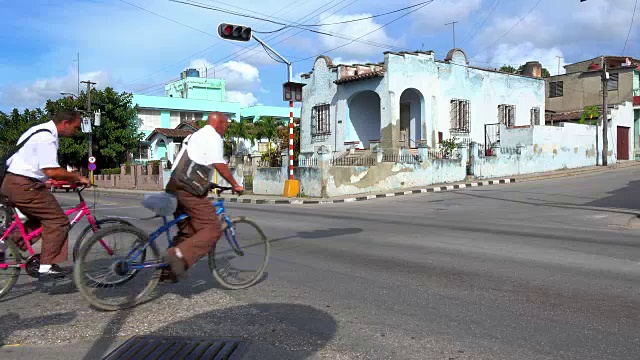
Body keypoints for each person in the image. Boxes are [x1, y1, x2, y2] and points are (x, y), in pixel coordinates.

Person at [0, 110, 91, 279]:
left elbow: (31, 164)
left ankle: (6, 245)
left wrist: (47, 180)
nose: (75, 131)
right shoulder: (47, 137)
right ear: (65, 123)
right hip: (24, 186)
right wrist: (78, 177)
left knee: (39, 220)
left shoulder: (37, 130)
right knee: (58, 220)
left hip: (12, 183)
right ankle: (46, 266)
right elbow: (51, 170)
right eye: (75, 127)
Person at [163, 111, 244, 281]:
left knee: (189, 232)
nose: (226, 128)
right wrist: (234, 184)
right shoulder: (213, 136)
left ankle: (168, 270)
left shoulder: (196, 135)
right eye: (226, 125)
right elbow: (218, 163)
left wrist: (208, 184)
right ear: (219, 123)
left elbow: (193, 163)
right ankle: (177, 254)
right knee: (213, 228)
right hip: (187, 189)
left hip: (174, 185)